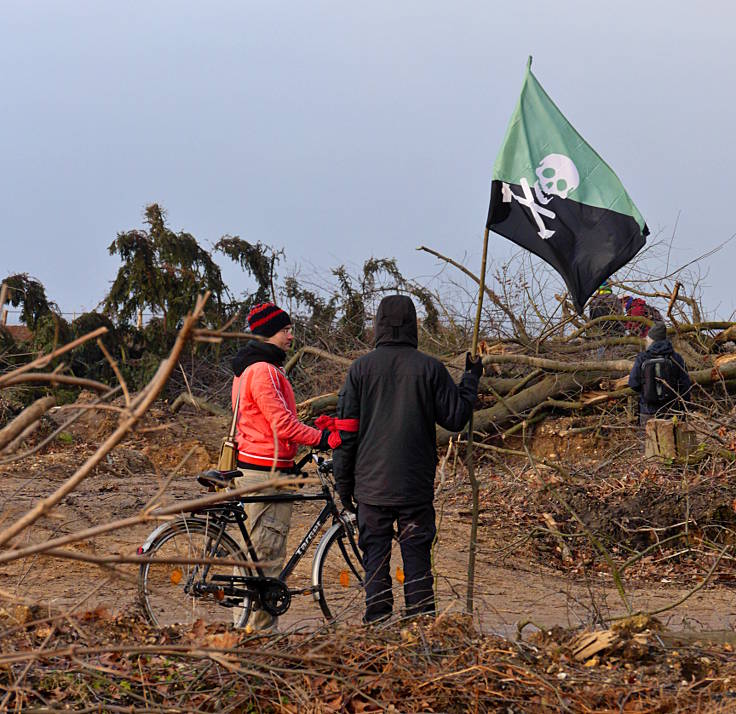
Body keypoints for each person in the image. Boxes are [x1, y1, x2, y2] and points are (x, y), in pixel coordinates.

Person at [333, 294, 482, 624]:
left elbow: (345, 434)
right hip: (414, 487)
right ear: (414, 325)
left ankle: (378, 627)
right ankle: (420, 629)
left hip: (371, 488)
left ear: (379, 325)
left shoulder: (360, 370)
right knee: (416, 560)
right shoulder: (430, 368)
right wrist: (471, 379)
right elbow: (456, 417)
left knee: (376, 560)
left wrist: (343, 484)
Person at [231, 302, 331, 630]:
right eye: (286, 330)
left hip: (256, 465)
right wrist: (322, 438)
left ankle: (247, 628)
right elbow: (283, 425)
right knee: (265, 555)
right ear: (269, 333)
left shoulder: (249, 368)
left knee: (254, 555)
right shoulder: (264, 370)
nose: (291, 336)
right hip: (265, 472)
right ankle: (258, 638)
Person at [628, 321, 692, 427]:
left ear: (653, 339)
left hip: (648, 412)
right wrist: (685, 409)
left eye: (648, 338)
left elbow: (633, 383)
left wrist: (646, 390)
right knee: (673, 442)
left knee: (649, 442)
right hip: (672, 412)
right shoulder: (676, 358)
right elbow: (685, 386)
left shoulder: (643, 358)